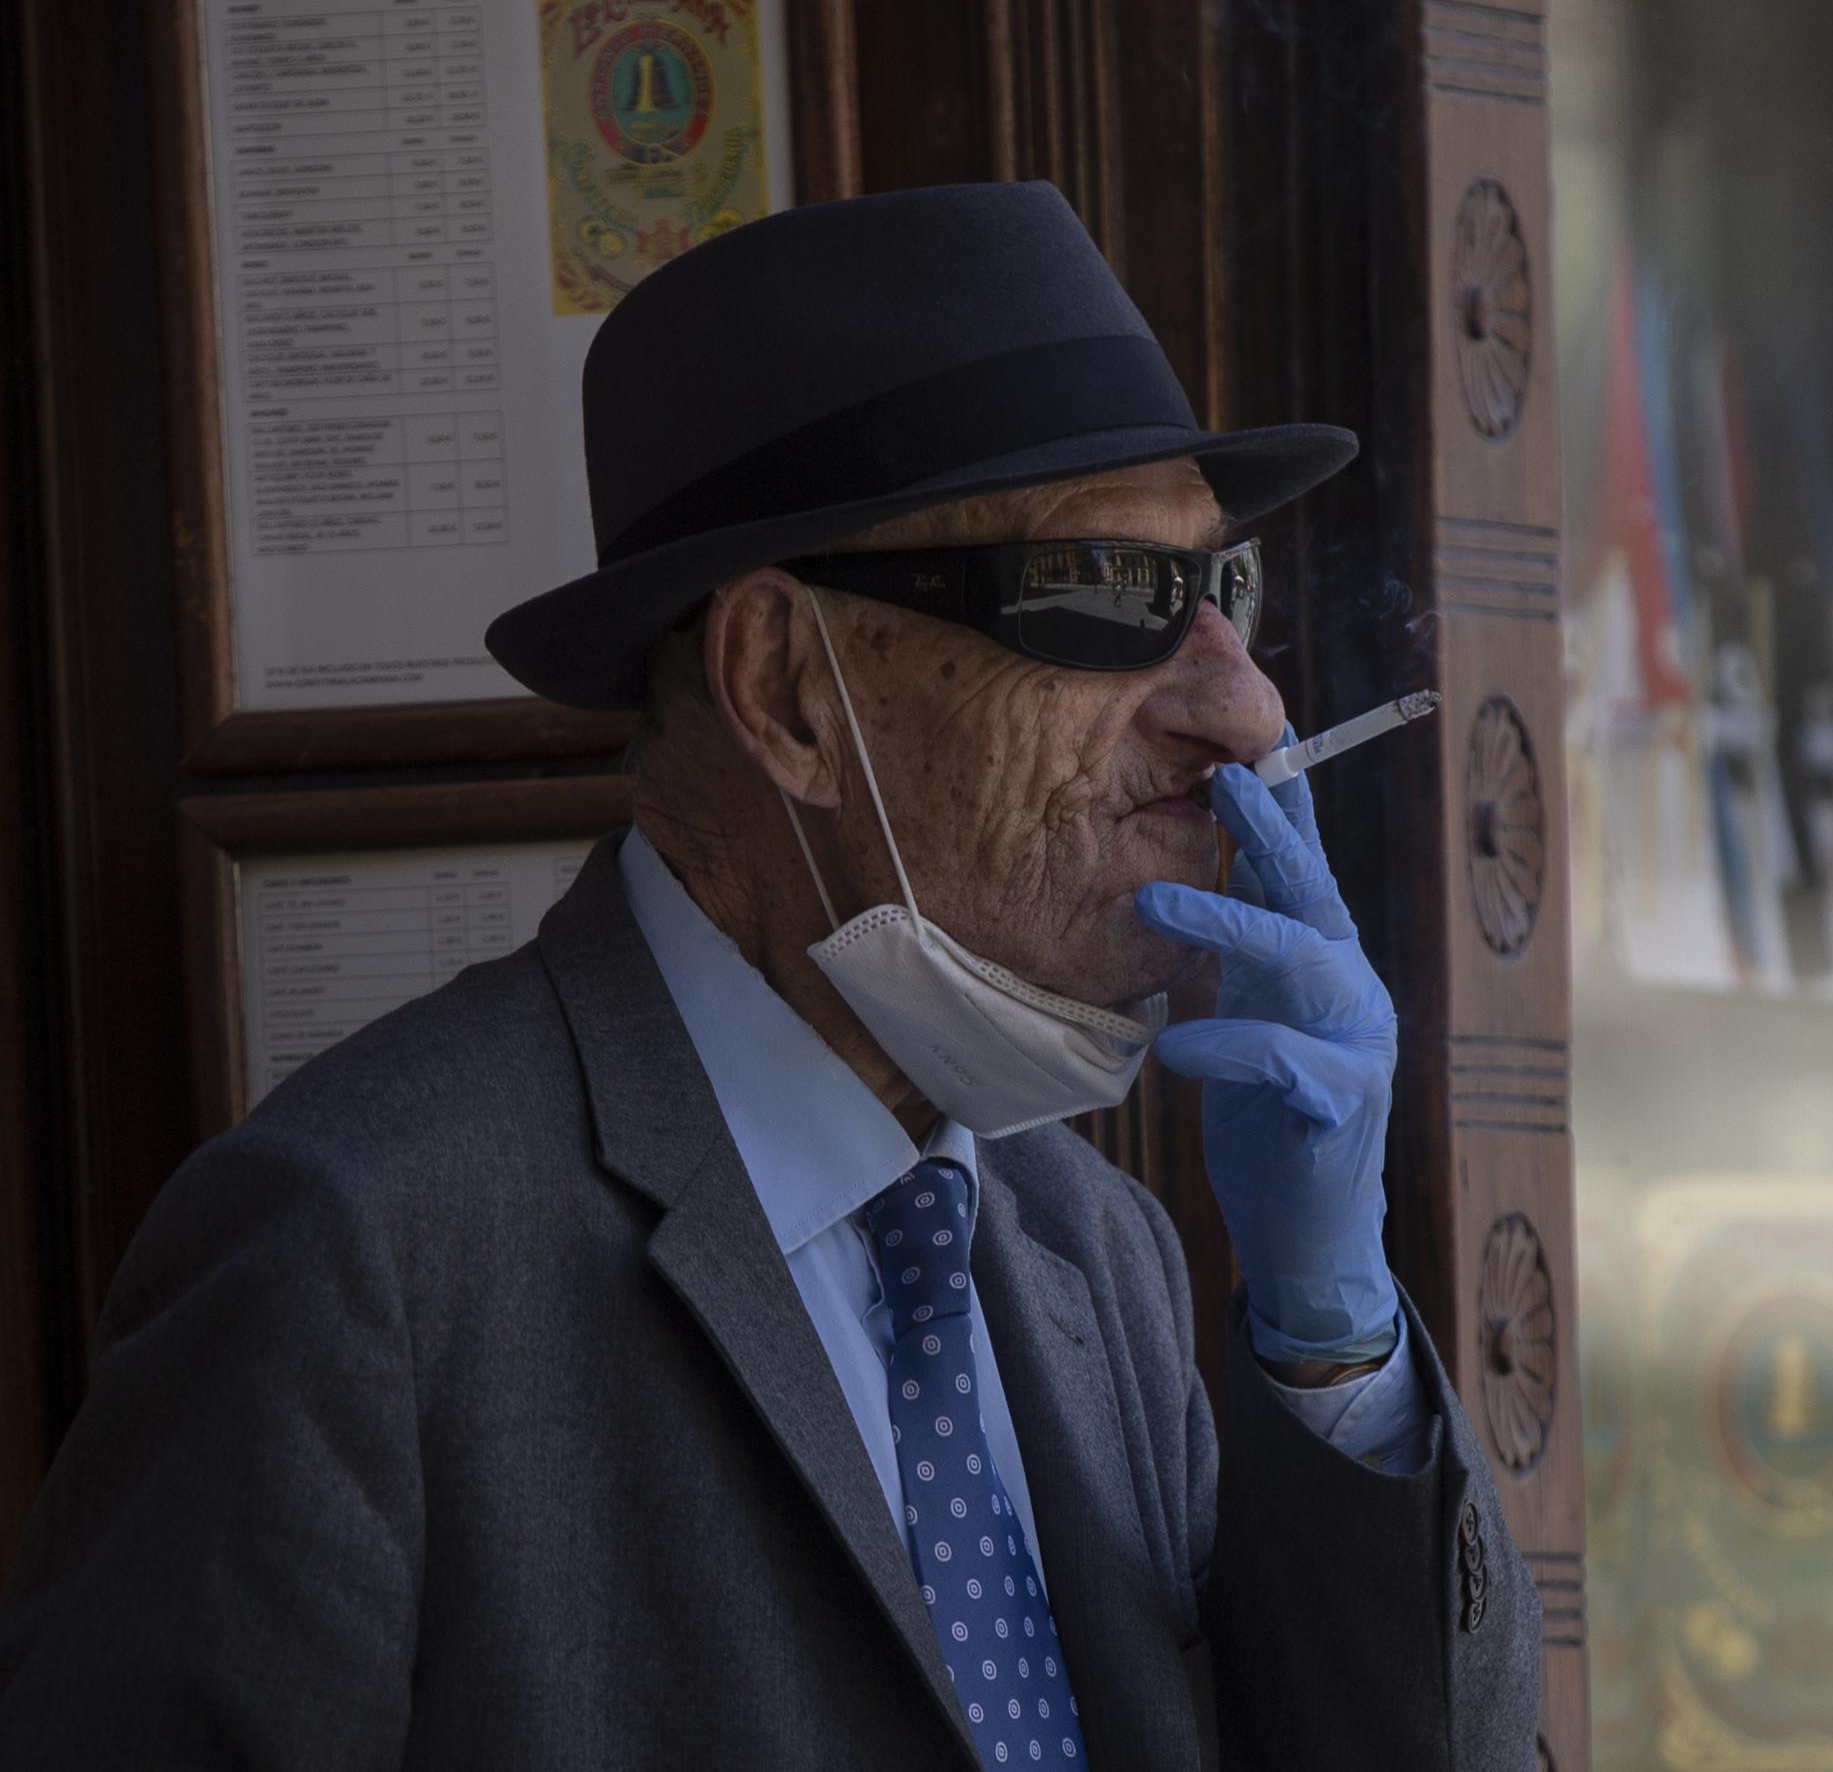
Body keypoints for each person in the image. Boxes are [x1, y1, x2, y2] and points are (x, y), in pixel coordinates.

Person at [0, 184, 1542, 1769]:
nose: (1244, 706)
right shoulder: (357, 1261)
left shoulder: (1099, 1256)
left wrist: (1334, 1343)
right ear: (788, 687)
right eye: (1103, 592)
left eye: (1224, 595)